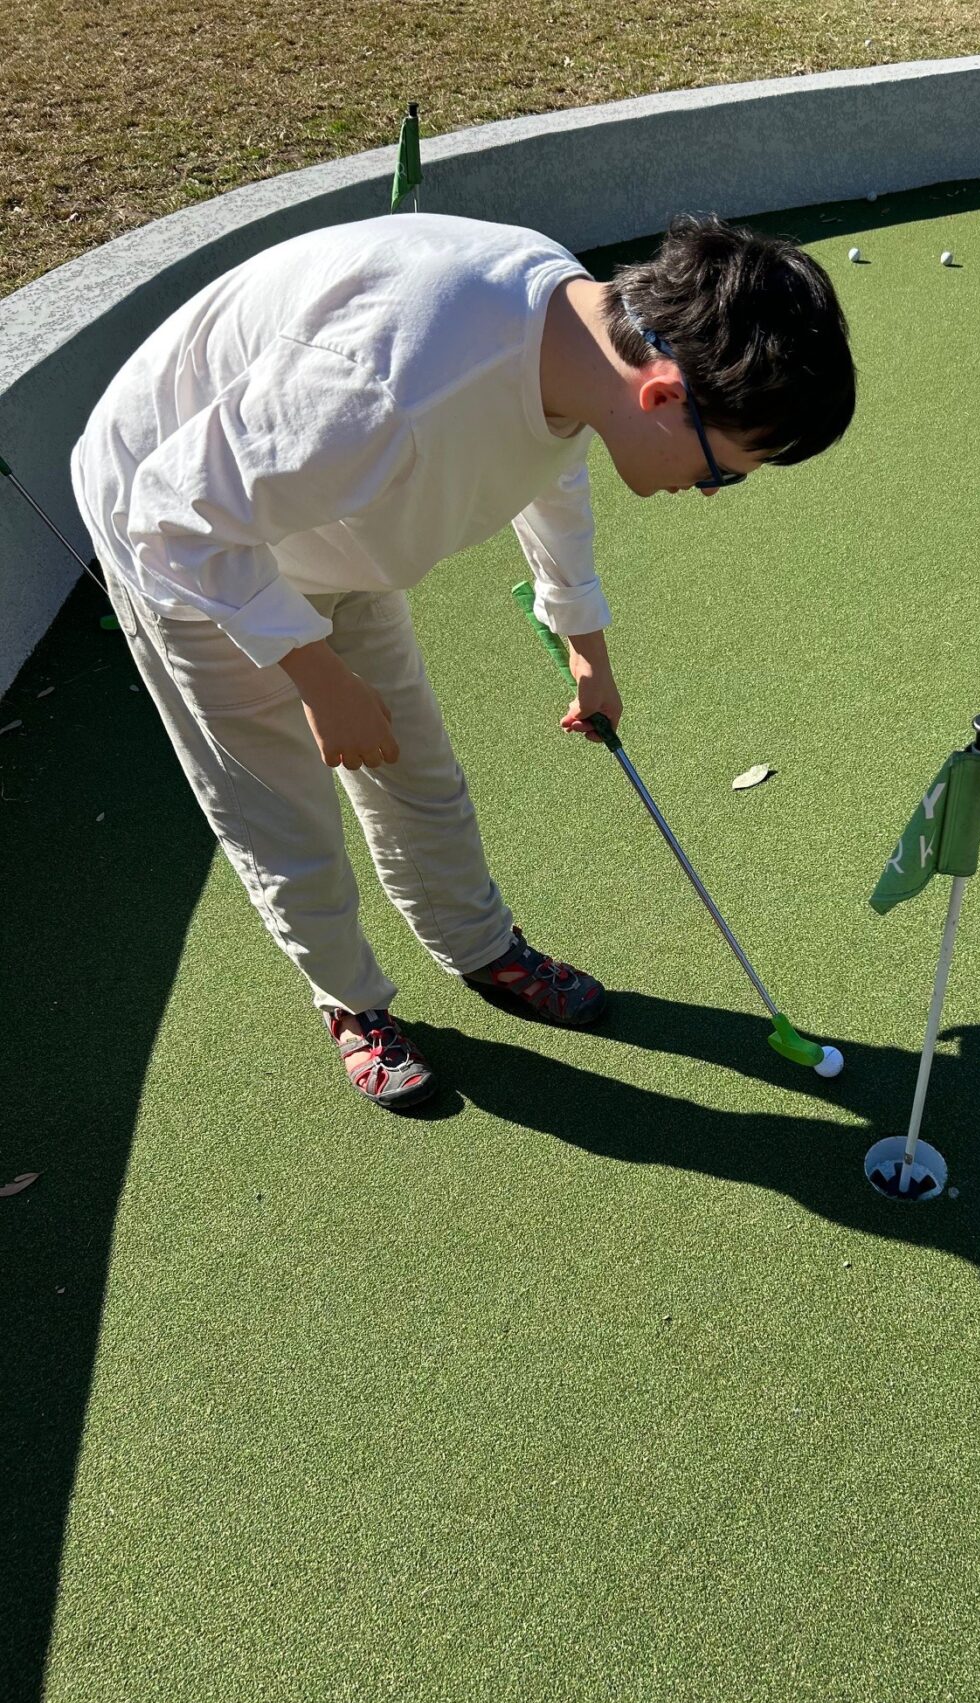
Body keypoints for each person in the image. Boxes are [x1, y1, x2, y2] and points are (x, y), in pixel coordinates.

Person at [70, 210, 856, 1111]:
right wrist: (318, 678)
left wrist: (584, 645)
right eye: (727, 472)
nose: (714, 494)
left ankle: (476, 944)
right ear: (664, 394)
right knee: (280, 806)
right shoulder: (385, 392)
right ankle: (351, 999)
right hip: (188, 530)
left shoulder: (581, 337)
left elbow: (549, 463)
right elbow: (177, 514)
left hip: (323, 510)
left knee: (418, 768)